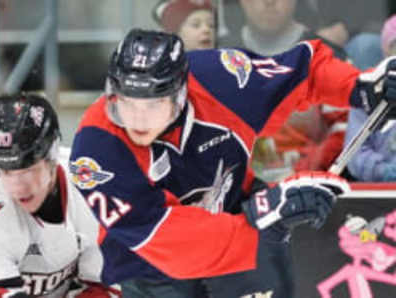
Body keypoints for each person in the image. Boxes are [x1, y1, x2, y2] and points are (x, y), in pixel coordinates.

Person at [68, 28, 396, 297]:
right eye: (126, 104)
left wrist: (362, 87)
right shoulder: (96, 149)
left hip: (236, 215)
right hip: (151, 266)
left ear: (180, 94)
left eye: (152, 105)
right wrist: (264, 214)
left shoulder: (223, 78)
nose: (137, 120)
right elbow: (162, 236)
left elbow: (302, 74)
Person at [0, 93, 121, 297]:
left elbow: (105, 286)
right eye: (7, 171)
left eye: (28, 169)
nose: (18, 186)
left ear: (52, 155)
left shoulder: (93, 188)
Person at [219, 0, 349, 179]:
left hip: (309, 187)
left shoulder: (327, 55)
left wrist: (307, 173)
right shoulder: (218, 55)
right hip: (234, 193)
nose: (269, 2)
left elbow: (346, 129)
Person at [345, 15, 396, 182]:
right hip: (378, 196)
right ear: (386, 50)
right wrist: (384, 171)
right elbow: (354, 153)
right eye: (395, 44)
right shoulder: (368, 92)